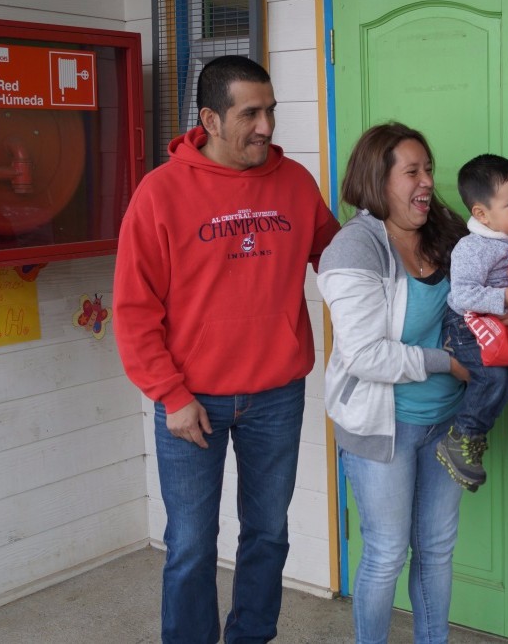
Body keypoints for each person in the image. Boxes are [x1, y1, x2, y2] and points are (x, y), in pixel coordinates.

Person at [113, 55, 340, 644]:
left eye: (270, 111)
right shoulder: (160, 194)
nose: (266, 126)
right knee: (190, 544)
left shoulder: (294, 184)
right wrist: (170, 394)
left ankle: (250, 637)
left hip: (276, 395)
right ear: (211, 119)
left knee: (267, 532)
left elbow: (336, 259)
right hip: (193, 402)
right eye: (251, 113)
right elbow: (136, 311)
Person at [317, 122, 470, 644]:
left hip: (446, 421)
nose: (426, 181)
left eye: (428, 169)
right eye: (412, 171)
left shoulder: (445, 231)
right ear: (378, 182)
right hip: (385, 428)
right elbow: (364, 355)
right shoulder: (352, 248)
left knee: (437, 550)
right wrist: (446, 363)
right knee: (385, 553)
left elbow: (498, 262)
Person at [435, 153, 508, 491]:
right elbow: (462, 294)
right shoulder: (474, 247)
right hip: (466, 325)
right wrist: (502, 300)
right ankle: (462, 436)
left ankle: (468, 435)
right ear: (482, 214)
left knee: (502, 380)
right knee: (494, 380)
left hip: (497, 323)